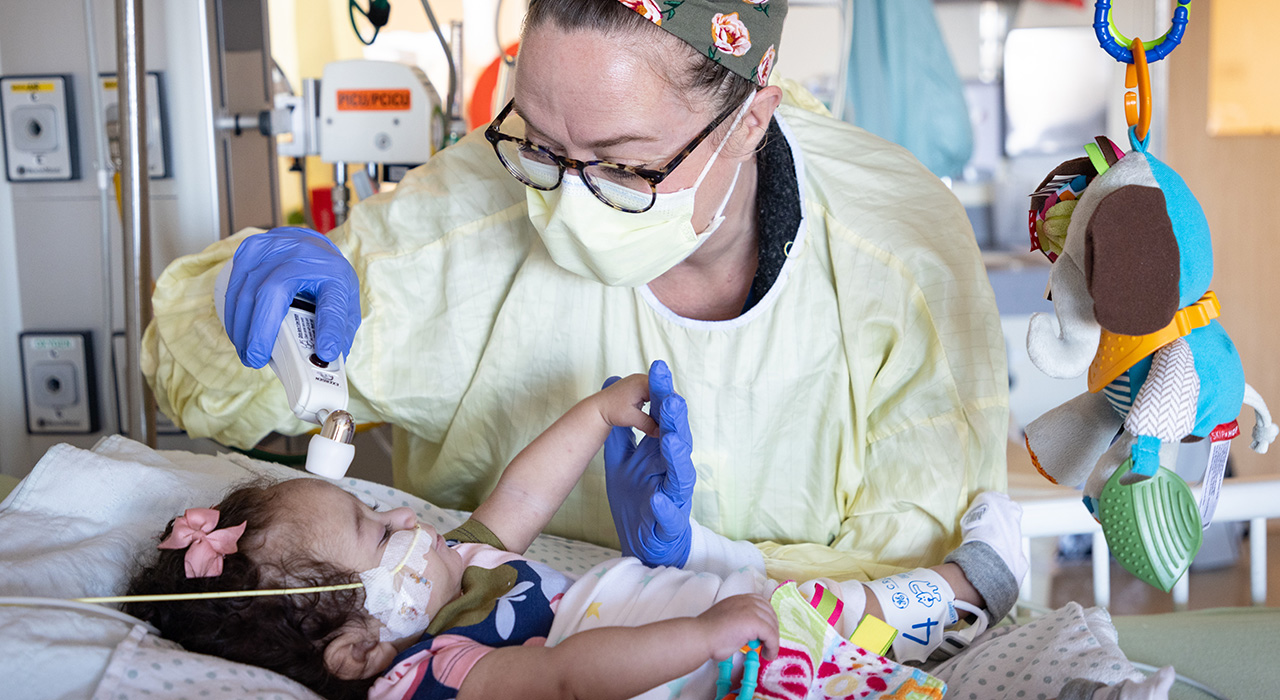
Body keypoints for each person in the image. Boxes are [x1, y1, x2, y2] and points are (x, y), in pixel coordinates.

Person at [143, 0, 1009, 585]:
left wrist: (702, 562)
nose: (562, 199)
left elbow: (925, 583)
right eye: (540, 146)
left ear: (749, 118)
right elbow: (202, 387)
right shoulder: (465, 217)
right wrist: (241, 295)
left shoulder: (896, 254)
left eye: (625, 166)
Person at [125, 363, 1171, 700]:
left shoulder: (452, 572)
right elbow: (574, 674)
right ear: (361, 646)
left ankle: (954, 598)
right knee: (823, 637)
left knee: (835, 626)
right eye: (369, 525)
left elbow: (518, 502)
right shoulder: (446, 666)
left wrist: (590, 416)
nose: (402, 514)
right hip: (693, 669)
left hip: (704, 624)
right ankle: (959, 602)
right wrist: (704, 635)